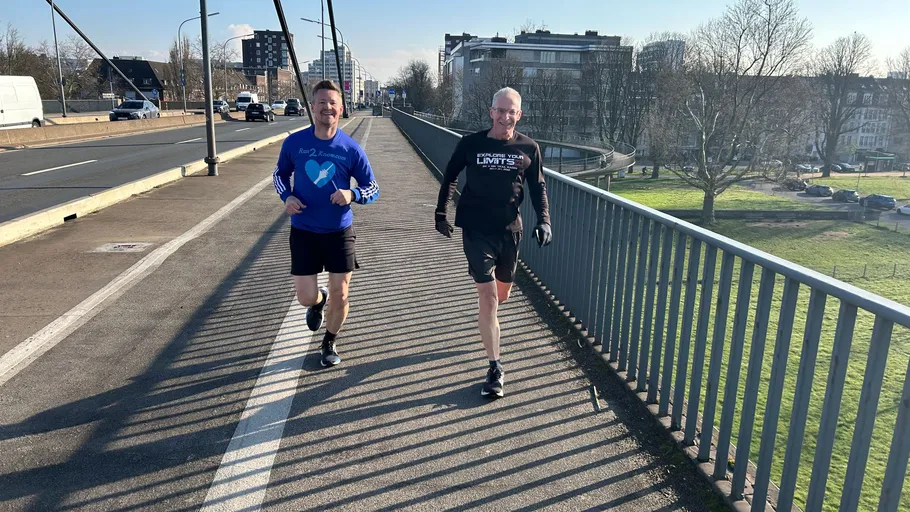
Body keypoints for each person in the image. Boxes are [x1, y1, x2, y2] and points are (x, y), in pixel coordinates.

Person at [435, 87, 552, 399]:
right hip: (475, 228)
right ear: (491, 112)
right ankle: (495, 367)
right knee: (488, 299)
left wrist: (544, 220)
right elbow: (450, 176)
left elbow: (538, 186)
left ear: (519, 114)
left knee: (502, 296)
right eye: (500, 110)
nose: (505, 116)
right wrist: (440, 212)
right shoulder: (472, 144)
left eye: (511, 111)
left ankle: (486, 306)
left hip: (509, 230)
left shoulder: (529, 147)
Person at [273, 80, 379, 367]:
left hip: (339, 231)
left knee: (341, 292)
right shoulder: (295, 143)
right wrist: (287, 197)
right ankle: (318, 302)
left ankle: (329, 340)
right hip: (304, 230)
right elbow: (280, 175)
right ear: (313, 107)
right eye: (321, 103)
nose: (327, 108)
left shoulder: (350, 149)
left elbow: (373, 187)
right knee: (305, 296)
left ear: (340, 109)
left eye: (332, 103)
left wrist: (352, 193)